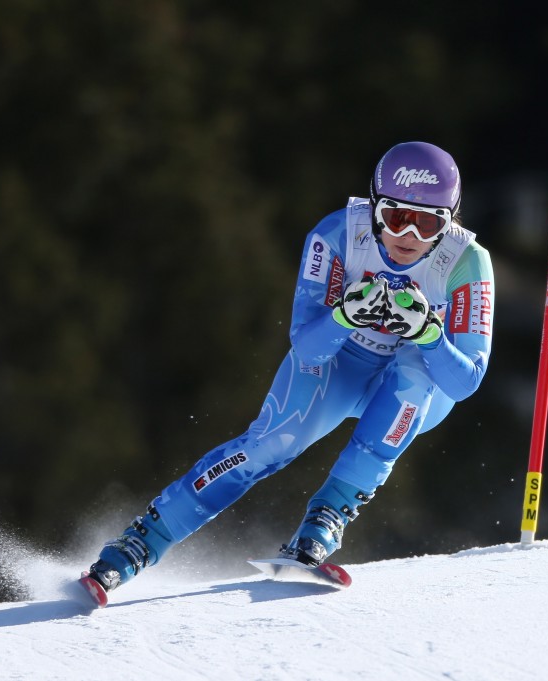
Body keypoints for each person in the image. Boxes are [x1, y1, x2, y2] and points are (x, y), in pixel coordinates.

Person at [82, 141, 495, 594]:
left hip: (416, 386)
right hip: (340, 363)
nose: (409, 237)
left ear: (450, 222)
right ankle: (138, 544)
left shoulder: (467, 262)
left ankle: (323, 525)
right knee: (269, 443)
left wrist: (430, 333)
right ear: (375, 208)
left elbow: (464, 382)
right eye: (396, 218)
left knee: (415, 371)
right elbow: (308, 348)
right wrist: (344, 316)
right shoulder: (337, 235)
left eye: (428, 223)